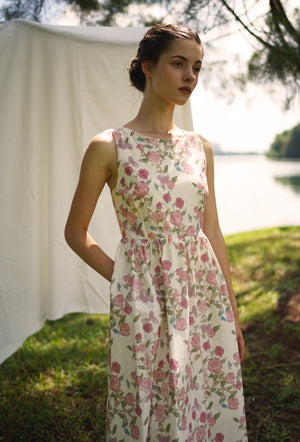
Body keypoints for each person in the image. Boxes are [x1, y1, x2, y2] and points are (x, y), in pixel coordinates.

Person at [65, 23, 247, 442]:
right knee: (145, 402)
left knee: (200, 399)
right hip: (142, 301)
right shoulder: (109, 146)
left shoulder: (200, 147)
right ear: (148, 66)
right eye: (178, 64)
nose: (190, 77)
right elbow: (76, 232)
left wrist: (232, 313)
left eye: (197, 68)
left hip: (202, 296)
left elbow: (213, 231)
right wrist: (126, 282)